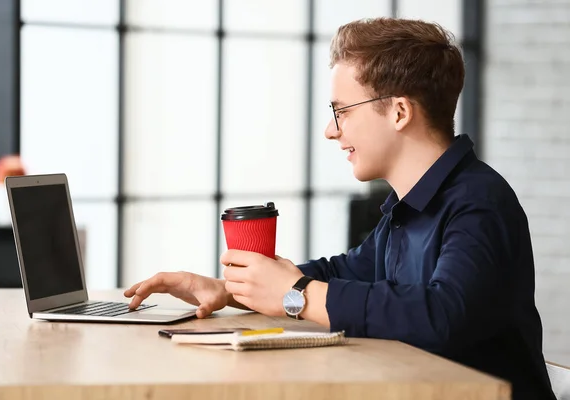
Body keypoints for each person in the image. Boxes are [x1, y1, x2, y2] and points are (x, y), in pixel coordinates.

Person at [124, 18, 555, 400]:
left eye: (341, 110)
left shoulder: (478, 201)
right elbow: (345, 272)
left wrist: (295, 296)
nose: (331, 131)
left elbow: (443, 316)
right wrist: (230, 292)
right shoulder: (410, 207)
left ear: (400, 111)